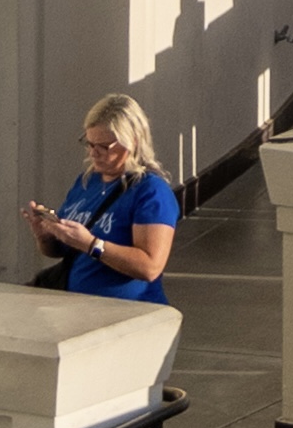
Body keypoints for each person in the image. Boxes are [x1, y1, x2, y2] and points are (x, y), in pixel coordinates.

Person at [25, 94, 179, 295]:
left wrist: (91, 244)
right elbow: (61, 251)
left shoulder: (150, 191)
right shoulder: (87, 182)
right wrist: (46, 237)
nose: (93, 153)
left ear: (132, 143)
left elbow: (149, 267)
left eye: (104, 147)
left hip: (125, 311)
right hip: (74, 303)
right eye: (89, 144)